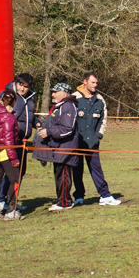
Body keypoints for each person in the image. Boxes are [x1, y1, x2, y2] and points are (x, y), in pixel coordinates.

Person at [0, 73, 37, 212]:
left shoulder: (31, 97)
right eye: (20, 85)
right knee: (11, 174)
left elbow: (30, 117)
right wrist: (6, 117)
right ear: (16, 83)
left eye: (26, 86)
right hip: (10, 141)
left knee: (19, 172)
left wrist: (37, 123)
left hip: (23, 140)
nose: (22, 89)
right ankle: (3, 202)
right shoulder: (7, 94)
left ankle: (7, 201)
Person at [71, 73, 121, 206]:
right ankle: (79, 196)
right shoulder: (74, 98)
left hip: (92, 142)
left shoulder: (100, 99)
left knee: (96, 169)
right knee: (77, 169)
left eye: (96, 83)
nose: (95, 85)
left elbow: (103, 119)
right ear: (85, 82)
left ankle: (105, 195)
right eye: (93, 83)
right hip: (76, 142)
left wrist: (98, 135)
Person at [32, 82, 80, 211]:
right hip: (58, 146)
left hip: (65, 146)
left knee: (63, 174)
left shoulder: (68, 106)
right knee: (59, 174)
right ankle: (62, 200)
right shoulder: (59, 106)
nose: (52, 94)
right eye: (52, 91)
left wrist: (48, 132)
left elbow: (67, 129)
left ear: (64, 93)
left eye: (55, 92)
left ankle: (64, 202)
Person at [0, 89, 23, 220]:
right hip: (6, 153)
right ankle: (10, 211)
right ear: (13, 101)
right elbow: (9, 140)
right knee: (14, 180)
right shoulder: (8, 117)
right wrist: (13, 158)